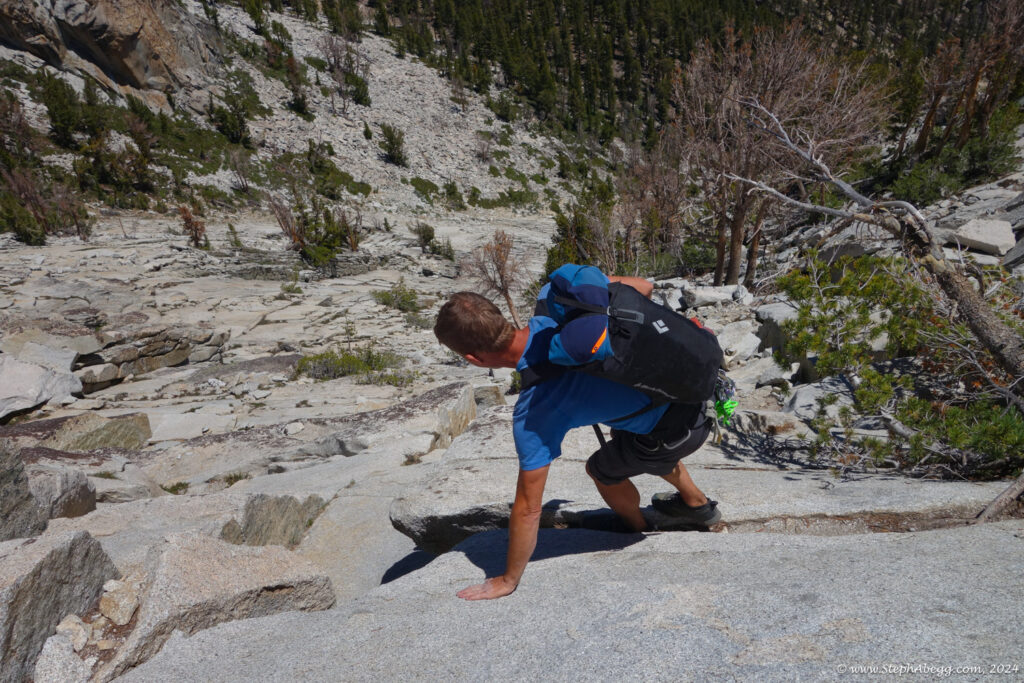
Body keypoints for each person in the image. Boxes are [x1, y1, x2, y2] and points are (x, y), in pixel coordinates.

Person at [433, 268, 720, 601]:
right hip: (699, 390)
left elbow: (528, 509)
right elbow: (643, 287)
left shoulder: (535, 411)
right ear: (499, 317)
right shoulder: (556, 302)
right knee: (630, 440)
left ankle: (640, 528)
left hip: (679, 430)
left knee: (602, 469)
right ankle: (696, 504)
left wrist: (508, 580)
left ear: (473, 359)